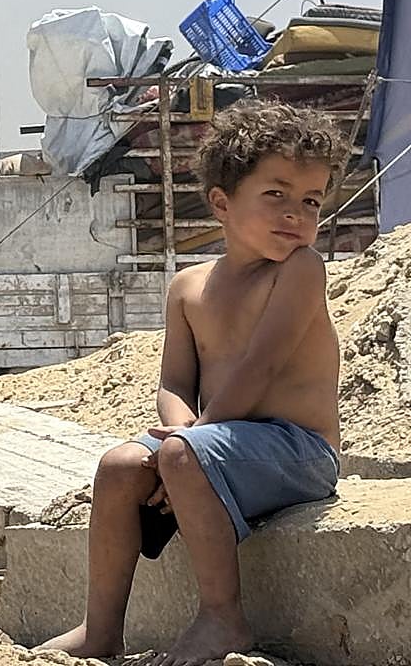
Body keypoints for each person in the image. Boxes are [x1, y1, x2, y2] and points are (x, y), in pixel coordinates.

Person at [41, 102, 350, 664]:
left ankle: (222, 617)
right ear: (221, 203)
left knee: (182, 454)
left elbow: (261, 366)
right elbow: (175, 382)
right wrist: (180, 441)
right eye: (275, 195)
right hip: (220, 443)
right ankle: (100, 630)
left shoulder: (300, 270)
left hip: (300, 452)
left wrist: (188, 449)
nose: (296, 216)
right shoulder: (187, 286)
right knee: (118, 466)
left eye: (311, 201)